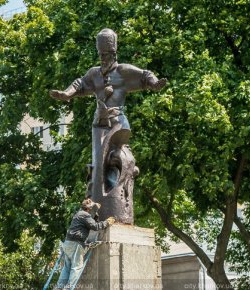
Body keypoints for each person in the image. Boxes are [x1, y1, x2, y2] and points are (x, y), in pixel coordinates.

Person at [50, 29, 167, 224]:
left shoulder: (123, 72)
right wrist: (66, 94)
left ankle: (118, 202)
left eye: (105, 55)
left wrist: (155, 84)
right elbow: (80, 84)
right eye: (100, 54)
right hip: (99, 125)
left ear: (113, 53)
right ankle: (100, 206)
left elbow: (145, 75)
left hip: (118, 123)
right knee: (99, 165)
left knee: (117, 159)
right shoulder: (94, 74)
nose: (102, 58)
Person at [56, 198, 115, 290]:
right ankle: (68, 288)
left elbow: (90, 218)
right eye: (93, 209)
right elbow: (95, 226)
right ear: (89, 209)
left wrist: (95, 209)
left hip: (68, 243)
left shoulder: (79, 214)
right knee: (76, 266)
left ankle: (59, 286)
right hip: (76, 244)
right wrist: (107, 223)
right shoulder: (85, 215)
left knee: (67, 266)